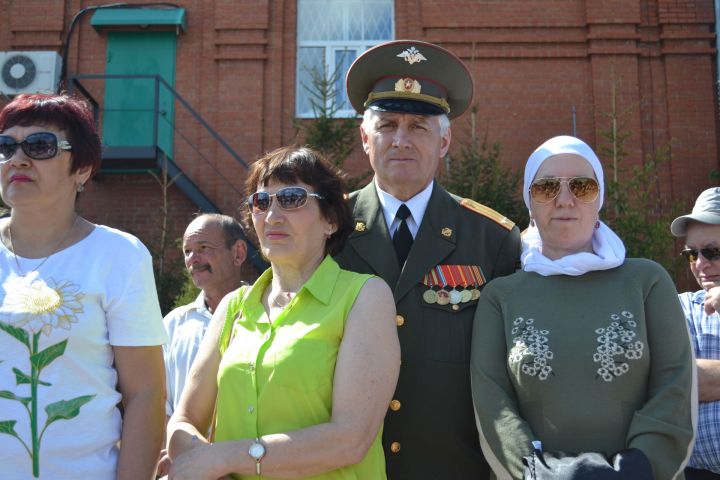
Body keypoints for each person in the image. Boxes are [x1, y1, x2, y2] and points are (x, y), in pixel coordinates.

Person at [334, 40, 521, 478]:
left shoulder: (493, 239)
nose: (401, 140)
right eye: (387, 125)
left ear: (444, 141)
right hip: (346, 469)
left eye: (418, 126)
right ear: (365, 138)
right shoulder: (327, 231)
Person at [166, 146, 400, 479]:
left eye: (292, 199)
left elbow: (351, 439)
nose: (272, 215)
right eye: (261, 202)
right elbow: (183, 422)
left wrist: (227, 457)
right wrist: (209, 465)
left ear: (331, 220)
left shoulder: (364, 297)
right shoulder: (233, 307)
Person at [470, 135, 695, 479]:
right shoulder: (501, 297)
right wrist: (540, 472)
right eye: (546, 187)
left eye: (582, 186)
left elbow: (675, 385)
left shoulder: (646, 282)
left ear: (599, 199)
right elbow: (493, 404)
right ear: (530, 203)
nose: (564, 200)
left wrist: (636, 468)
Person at [0, 93, 167, 479]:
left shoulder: (118, 255)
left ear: (83, 169)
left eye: (40, 145)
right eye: (6, 146)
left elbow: (145, 394)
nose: (18, 159)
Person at [157, 213, 247, 476]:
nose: (193, 259)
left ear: (238, 253)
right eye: (187, 252)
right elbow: (161, 405)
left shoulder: (269, 315)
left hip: (250, 467)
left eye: (203, 248)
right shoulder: (173, 325)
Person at [672, 187, 720, 480]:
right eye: (692, 254)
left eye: (712, 251)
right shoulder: (680, 307)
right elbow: (679, 380)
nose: (701, 263)